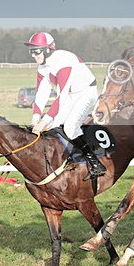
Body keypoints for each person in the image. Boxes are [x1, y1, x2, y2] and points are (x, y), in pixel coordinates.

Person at [24, 32, 105, 180]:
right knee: (55, 126)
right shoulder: (42, 67)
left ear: (47, 50)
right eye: (31, 52)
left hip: (86, 92)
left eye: (36, 51)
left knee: (69, 127)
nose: (33, 55)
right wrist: (34, 120)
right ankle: (69, 158)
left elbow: (61, 97)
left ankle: (96, 163)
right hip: (70, 95)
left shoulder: (63, 61)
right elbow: (41, 95)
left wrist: (43, 122)